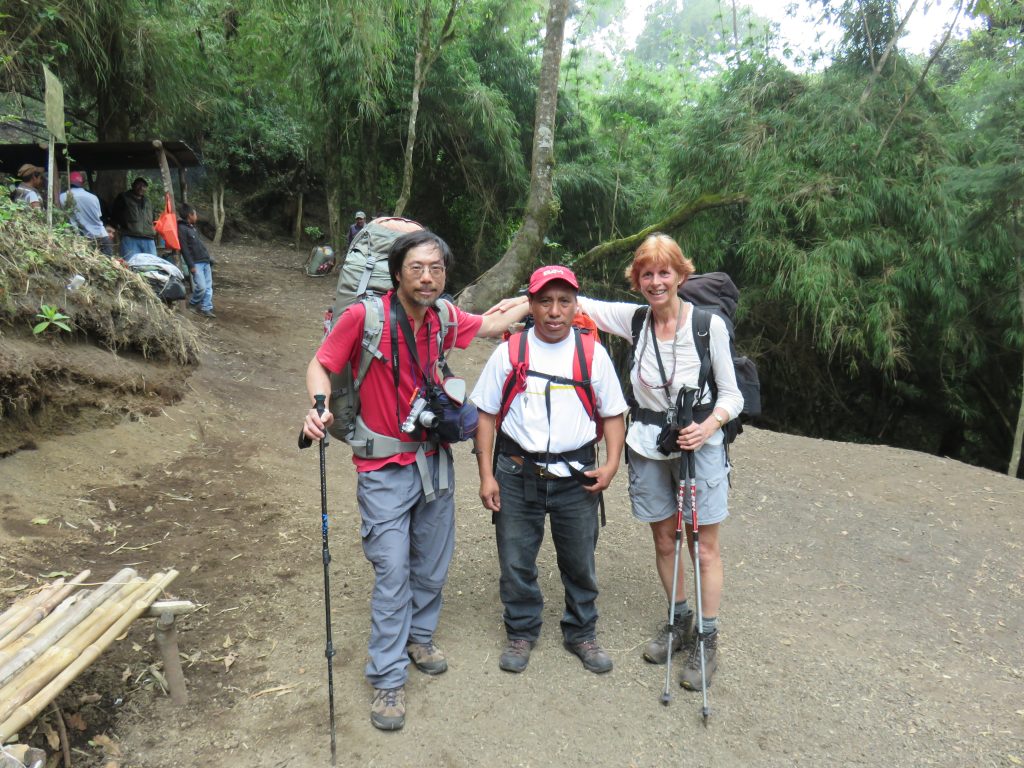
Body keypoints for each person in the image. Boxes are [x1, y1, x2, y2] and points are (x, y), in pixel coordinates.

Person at [490, 233, 742, 690]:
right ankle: (677, 619)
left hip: (698, 446)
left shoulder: (708, 327)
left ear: (681, 274)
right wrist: (519, 303)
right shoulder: (637, 319)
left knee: (702, 545)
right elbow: (571, 303)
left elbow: (732, 394)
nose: (655, 281)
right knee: (666, 541)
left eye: (664, 272)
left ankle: (707, 638)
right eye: (647, 273)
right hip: (648, 445)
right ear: (637, 280)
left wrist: (709, 426)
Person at [300, 230, 529, 732]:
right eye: (417, 268)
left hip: (435, 460)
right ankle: (386, 677)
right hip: (382, 467)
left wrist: (536, 297)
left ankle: (419, 636)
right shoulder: (366, 318)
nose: (427, 277)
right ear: (398, 271)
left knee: (432, 562)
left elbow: (490, 325)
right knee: (393, 572)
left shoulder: (444, 317)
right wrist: (318, 408)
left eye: (437, 269)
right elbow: (322, 363)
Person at [470, 266, 628, 676]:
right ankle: (521, 630)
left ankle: (581, 632)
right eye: (545, 301)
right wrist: (487, 474)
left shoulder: (591, 353)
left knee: (580, 559)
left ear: (576, 306)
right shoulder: (511, 351)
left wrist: (610, 464)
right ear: (531, 305)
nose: (554, 311)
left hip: (577, 477)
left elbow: (613, 415)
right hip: (516, 469)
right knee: (516, 558)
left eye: (564, 301)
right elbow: (485, 415)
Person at [60, 172, 114, 257]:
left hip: (79, 240)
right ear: (83, 183)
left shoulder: (62, 197)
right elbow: (98, 217)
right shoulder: (93, 197)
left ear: (68, 182)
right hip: (100, 237)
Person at [177, 203, 215, 318]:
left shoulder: (192, 227)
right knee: (202, 287)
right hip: (196, 262)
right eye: (195, 214)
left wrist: (208, 259)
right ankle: (193, 303)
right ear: (190, 215)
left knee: (208, 286)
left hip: (204, 260)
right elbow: (184, 249)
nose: (197, 216)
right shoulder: (182, 229)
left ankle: (206, 308)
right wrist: (191, 265)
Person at [111, 177, 157, 258]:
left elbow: (153, 217)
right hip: (130, 237)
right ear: (133, 186)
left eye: (143, 186)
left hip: (148, 238)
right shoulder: (124, 198)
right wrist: (122, 226)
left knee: (152, 265)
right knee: (131, 264)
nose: (141, 188)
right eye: (138, 185)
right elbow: (116, 214)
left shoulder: (148, 201)